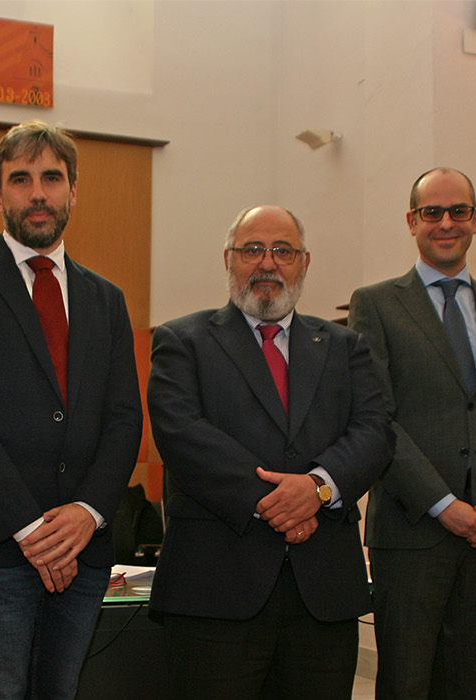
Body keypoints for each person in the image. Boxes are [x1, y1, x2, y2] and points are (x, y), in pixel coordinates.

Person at [0, 120, 143, 700]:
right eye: (21, 179)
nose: (37, 193)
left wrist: (88, 513)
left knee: (61, 692)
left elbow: (124, 419)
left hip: (85, 544)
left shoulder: (107, 299)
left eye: (51, 178)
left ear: (74, 191)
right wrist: (32, 530)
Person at [146, 205, 393, 699]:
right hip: (215, 593)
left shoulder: (346, 346)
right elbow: (181, 435)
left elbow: (376, 431)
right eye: (252, 250)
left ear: (304, 262)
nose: (267, 263)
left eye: (282, 250)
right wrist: (280, 501)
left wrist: (317, 489)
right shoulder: (183, 340)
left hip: (321, 597)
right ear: (228, 260)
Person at [348, 167, 476, 700]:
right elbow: (378, 419)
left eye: (458, 211)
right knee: (407, 684)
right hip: (413, 533)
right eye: (432, 212)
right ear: (412, 221)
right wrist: (444, 504)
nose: (446, 222)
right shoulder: (376, 304)